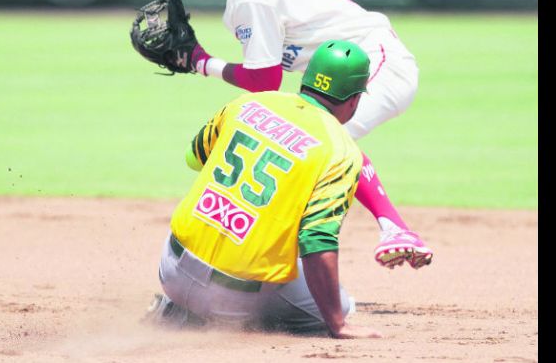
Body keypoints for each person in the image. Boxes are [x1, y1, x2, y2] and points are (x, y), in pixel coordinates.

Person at [173, 0, 432, 269]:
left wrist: (201, 62)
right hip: (348, 65)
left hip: (375, 62)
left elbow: (264, 81)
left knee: (321, 143)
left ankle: (394, 227)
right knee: (311, 143)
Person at [147, 40, 384, 338]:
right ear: (353, 100)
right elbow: (317, 240)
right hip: (234, 299)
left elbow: (194, 158)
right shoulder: (342, 150)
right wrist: (337, 323)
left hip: (171, 269)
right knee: (342, 303)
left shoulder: (249, 103)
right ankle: (216, 319)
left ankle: (176, 306)